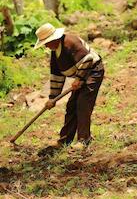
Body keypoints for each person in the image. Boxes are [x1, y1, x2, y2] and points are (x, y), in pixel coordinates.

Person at [35, 23, 104, 154]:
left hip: (93, 71)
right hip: (80, 76)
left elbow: (88, 59)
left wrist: (79, 78)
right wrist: (52, 99)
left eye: (46, 42)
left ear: (54, 39)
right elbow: (56, 77)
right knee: (71, 106)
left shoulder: (70, 42)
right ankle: (65, 140)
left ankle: (84, 140)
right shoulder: (55, 53)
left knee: (83, 104)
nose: (46, 46)